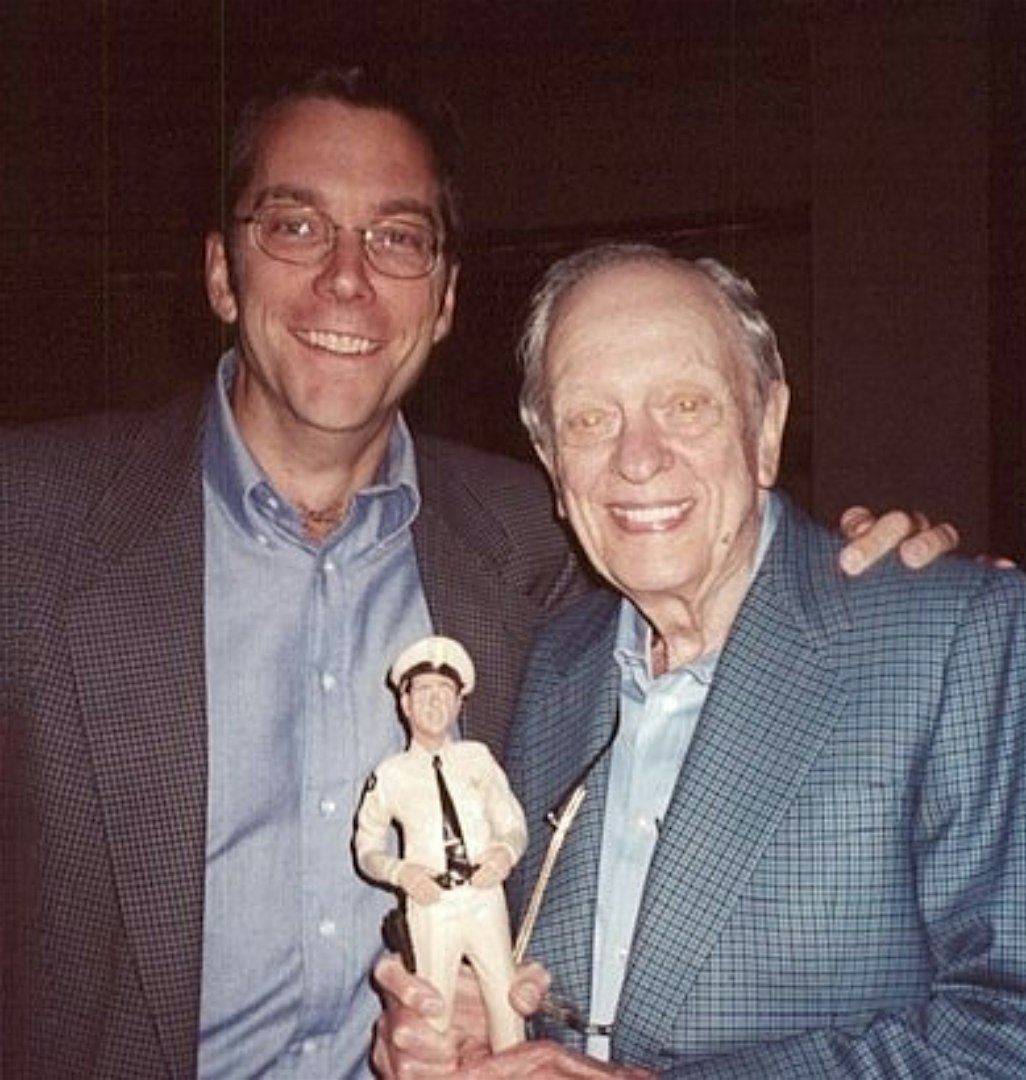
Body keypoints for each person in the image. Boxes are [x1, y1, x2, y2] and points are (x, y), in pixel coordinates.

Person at [0, 64, 958, 1080]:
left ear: (447, 298)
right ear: (222, 273)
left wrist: (882, 573)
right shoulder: (29, 522)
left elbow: (709, 558)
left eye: (397, 237)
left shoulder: (545, 545)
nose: (346, 277)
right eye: (295, 226)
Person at [372, 244, 1026, 1078]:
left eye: (685, 404)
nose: (638, 458)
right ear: (552, 463)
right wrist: (477, 1030)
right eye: (590, 419)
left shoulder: (953, 637)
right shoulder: (553, 664)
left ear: (766, 428)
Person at [355, 636, 527, 1052]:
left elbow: (513, 823)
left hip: (484, 896)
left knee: (506, 1000)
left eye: (446, 692)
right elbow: (367, 848)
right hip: (432, 904)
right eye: (424, 692)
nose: (435, 703)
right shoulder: (391, 774)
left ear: (459, 703)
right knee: (434, 1011)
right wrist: (401, 872)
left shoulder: (478, 759)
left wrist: (504, 854)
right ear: (405, 703)